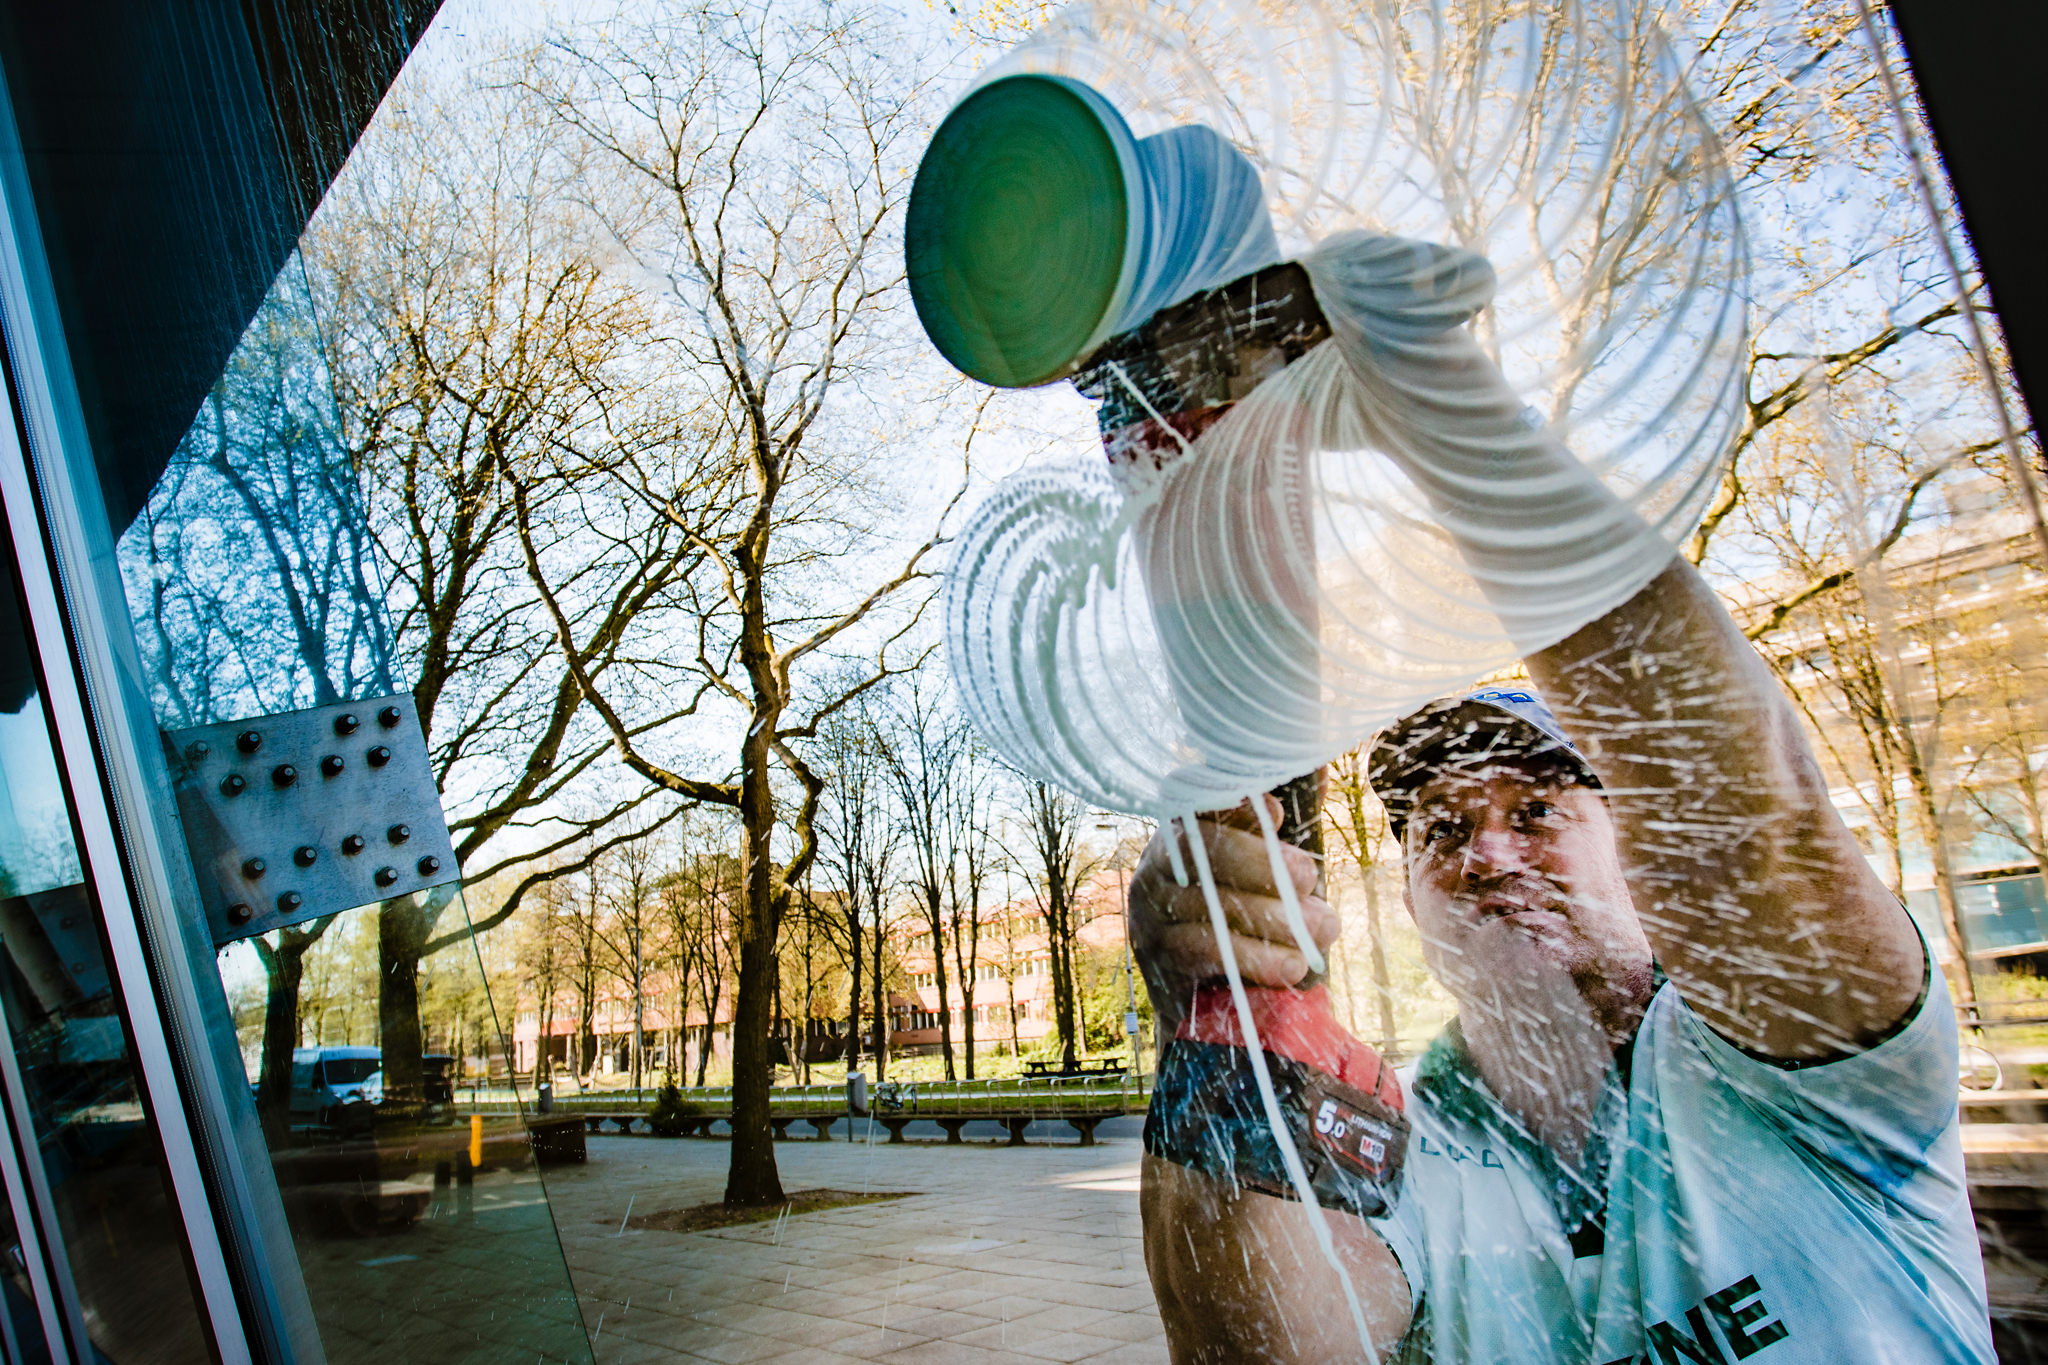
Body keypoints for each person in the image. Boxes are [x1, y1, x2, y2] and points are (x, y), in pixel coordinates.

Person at [1130, 556, 1993, 1363]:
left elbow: (1763, 809)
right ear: (1408, 901)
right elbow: (1272, 1342)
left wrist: (1459, 430)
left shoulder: (1784, 1057)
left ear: (1635, 848)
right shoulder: (1397, 1132)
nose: (1487, 856)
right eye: (1443, 829)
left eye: (1536, 811)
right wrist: (1216, 995)